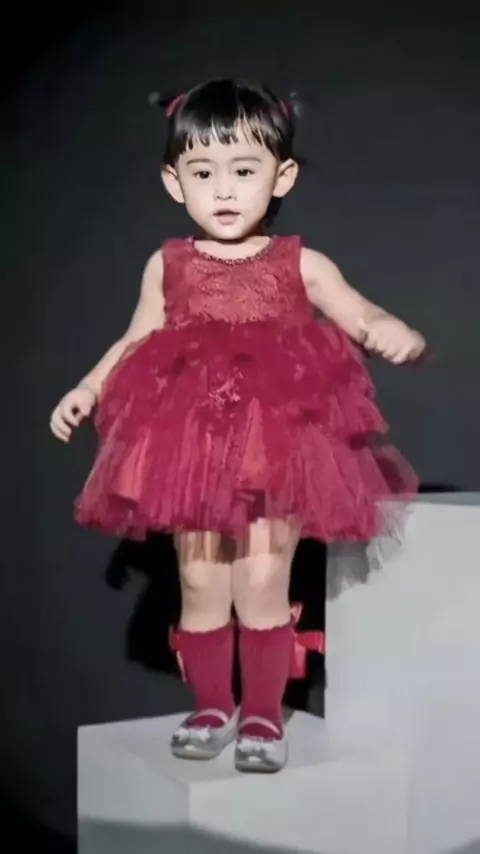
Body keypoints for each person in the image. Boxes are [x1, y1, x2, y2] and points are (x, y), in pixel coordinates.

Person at [49, 77, 426, 773]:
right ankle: (212, 705)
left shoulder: (301, 263)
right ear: (174, 182)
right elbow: (135, 338)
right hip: (191, 453)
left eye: (244, 170)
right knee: (199, 582)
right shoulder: (168, 265)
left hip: (276, 452)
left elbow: (359, 313)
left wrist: (390, 330)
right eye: (203, 173)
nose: (223, 189)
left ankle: (261, 715)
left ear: (282, 176)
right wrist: (87, 387)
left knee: (261, 581)